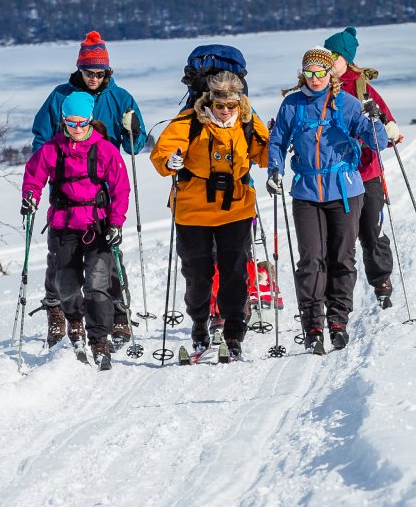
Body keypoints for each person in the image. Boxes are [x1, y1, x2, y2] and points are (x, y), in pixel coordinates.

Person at [28, 30, 149, 342]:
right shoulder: (60, 97)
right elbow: (41, 139)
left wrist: (134, 131)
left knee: (108, 256)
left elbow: (134, 147)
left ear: (107, 71)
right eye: (88, 72)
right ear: (79, 70)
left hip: (104, 192)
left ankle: (119, 315)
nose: (94, 78)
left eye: (99, 72)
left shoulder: (121, 98)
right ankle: (56, 310)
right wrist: (49, 170)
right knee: (60, 258)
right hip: (66, 188)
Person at [268, 47, 388, 352]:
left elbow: (378, 142)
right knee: (310, 260)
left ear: (328, 73)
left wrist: (374, 120)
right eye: (309, 73)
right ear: (303, 74)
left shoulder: (347, 103)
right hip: (307, 192)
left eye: (320, 72)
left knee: (342, 258)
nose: (315, 78)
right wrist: (275, 170)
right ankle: (312, 326)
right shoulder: (292, 104)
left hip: (345, 191)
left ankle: (338, 321)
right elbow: (278, 141)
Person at [149, 65, 270, 361]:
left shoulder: (248, 121)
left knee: (235, 271)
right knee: (197, 274)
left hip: (235, 207)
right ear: (210, 101)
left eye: (231, 105)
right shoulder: (190, 121)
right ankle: (199, 323)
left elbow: (265, 155)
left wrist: (278, 142)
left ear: (239, 101)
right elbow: (162, 152)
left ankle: (234, 331)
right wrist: (170, 161)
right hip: (193, 208)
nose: (225, 111)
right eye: (220, 105)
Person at [21, 92, 132, 371]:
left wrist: (116, 223)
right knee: (66, 284)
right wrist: (30, 196)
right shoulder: (52, 149)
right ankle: (74, 323)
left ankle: (99, 340)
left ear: (91, 120)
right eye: (71, 123)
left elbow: (121, 188)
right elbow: (33, 175)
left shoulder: (105, 149)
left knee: (97, 286)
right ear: (64, 122)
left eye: (82, 123)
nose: (77, 128)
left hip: (98, 226)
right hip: (63, 225)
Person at [322, 26, 405, 309]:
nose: (328, 59)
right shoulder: (318, 85)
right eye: (326, 53)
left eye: (333, 55)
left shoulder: (362, 87)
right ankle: (335, 292)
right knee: (337, 237)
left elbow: (386, 121)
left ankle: (381, 281)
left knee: (370, 229)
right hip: (333, 174)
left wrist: (388, 128)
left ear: (345, 58)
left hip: (366, 171)